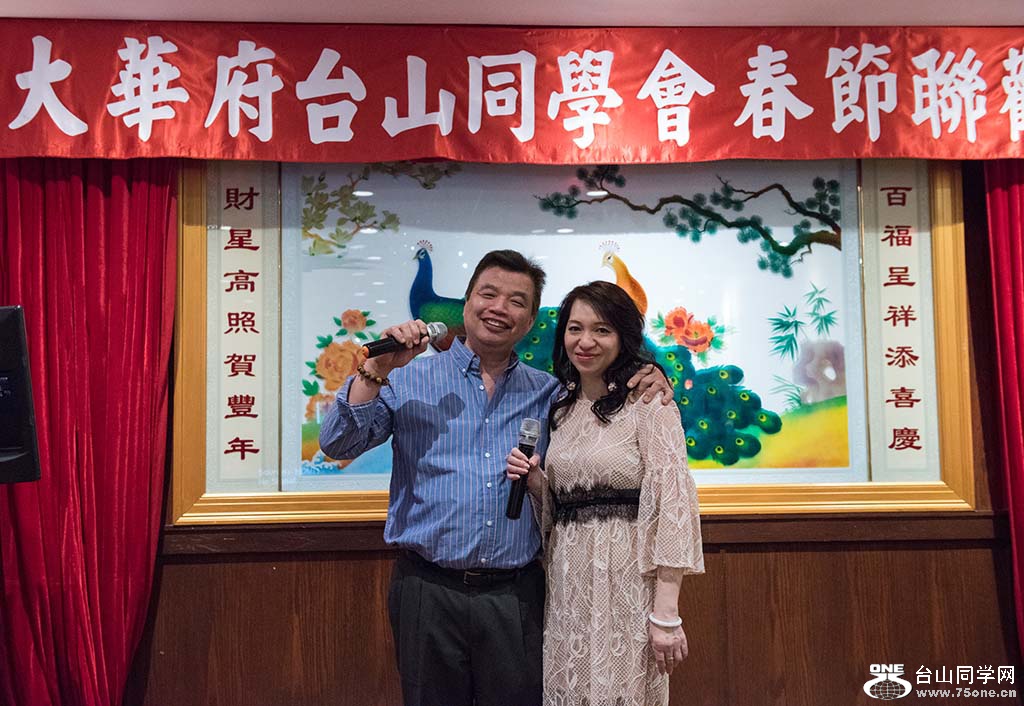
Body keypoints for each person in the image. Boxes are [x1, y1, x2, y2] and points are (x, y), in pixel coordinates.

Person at [319, 251, 672, 706]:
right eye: (488, 294)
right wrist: (376, 370)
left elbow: (604, 402)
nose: (499, 308)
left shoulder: (549, 393)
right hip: (428, 589)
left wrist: (652, 373)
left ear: (530, 321)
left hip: (516, 595)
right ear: (466, 303)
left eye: (517, 301)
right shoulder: (408, 378)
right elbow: (338, 443)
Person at [505, 280, 705, 706]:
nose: (585, 341)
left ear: (623, 337)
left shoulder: (650, 406)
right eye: (575, 328)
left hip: (627, 585)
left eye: (601, 330)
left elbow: (673, 505)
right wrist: (537, 482)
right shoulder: (562, 408)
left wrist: (666, 613)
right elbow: (565, 511)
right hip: (569, 587)